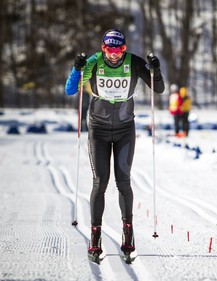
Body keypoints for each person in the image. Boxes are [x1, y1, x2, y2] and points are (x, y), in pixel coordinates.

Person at [65, 28, 165, 261]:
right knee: (100, 182)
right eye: (109, 49)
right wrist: (77, 68)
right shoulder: (93, 62)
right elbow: (71, 90)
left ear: (124, 48)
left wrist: (156, 70)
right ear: (103, 48)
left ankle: (128, 233)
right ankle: (95, 234)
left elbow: (158, 88)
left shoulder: (133, 62)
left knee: (123, 181)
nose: (114, 54)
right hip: (98, 130)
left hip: (124, 130)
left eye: (118, 49)